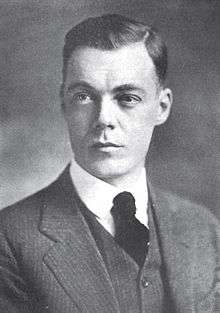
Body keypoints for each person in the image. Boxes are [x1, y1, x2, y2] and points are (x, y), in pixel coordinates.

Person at [0, 14, 219, 313]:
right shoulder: (10, 238)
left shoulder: (202, 228)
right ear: (63, 103)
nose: (104, 118)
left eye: (127, 98)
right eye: (84, 96)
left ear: (162, 107)